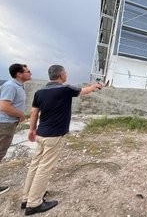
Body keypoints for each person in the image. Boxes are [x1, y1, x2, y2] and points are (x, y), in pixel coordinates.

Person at [22, 65, 104, 215]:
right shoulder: (65, 89)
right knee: (44, 168)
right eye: (65, 72)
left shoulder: (39, 92)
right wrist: (96, 85)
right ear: (60, 75)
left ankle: (26, 197)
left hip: (41, 134)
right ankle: (34, 203)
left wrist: (32, 130)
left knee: (35, 165)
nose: (66, 74)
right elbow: (84, 91)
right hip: (54, 137)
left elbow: (34, 112)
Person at [0, 63, 32, 197]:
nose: (30, 73)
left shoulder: (17, 85)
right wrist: (21, 115)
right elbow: (4, 106)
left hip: (6, 123)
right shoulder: (11, 86)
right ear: (19, 74)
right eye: (28, 71)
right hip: (4, 124)